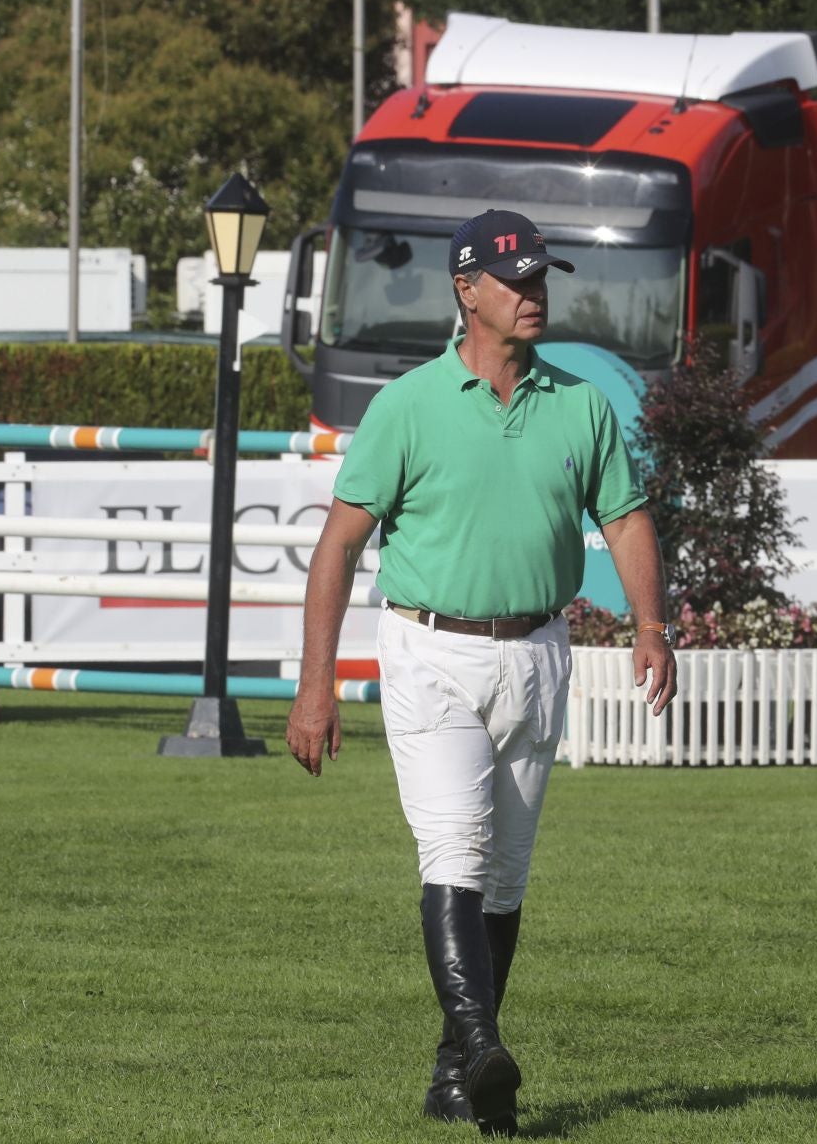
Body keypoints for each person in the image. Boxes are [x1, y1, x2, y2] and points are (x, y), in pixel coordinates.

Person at [285, 209, 677, 1136]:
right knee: (455, 852)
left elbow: (624, 520)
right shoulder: (406, 407)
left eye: (543, 279)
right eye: (519, 281)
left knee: (504, 878)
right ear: (468, 291)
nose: (536, 294)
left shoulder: (581, 403)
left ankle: (452, 1068)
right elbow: (338, 549)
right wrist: (314, 687)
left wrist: (652, 625)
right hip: (432, 654)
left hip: (541, 652)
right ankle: (485, 1047)